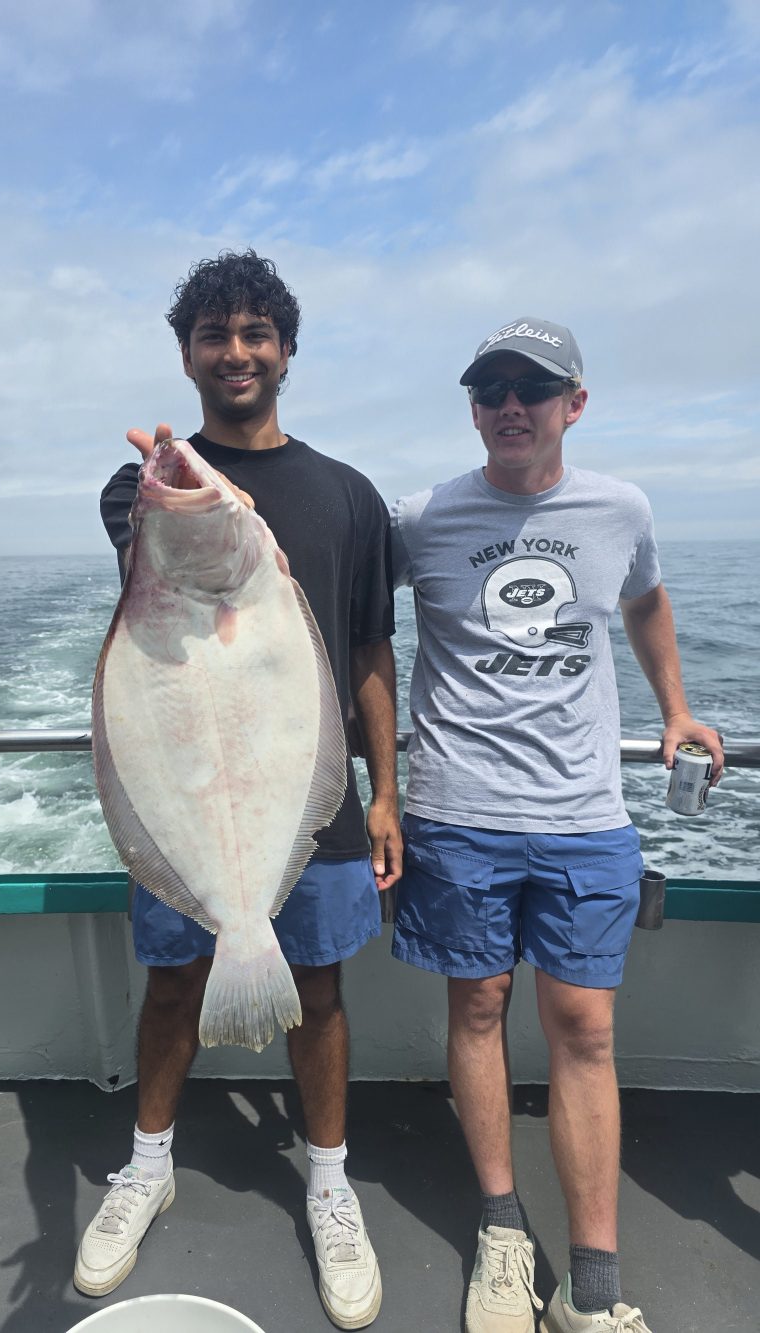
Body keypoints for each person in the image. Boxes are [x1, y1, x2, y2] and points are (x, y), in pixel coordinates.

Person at [83, 250, 402, 1329]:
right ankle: (146, 1165)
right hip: (189, 788)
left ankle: (327, 1181)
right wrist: (165, 483)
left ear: (285, 351)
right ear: (186, 355)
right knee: (173, 985)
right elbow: (154, 544)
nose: (237, 351)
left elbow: (366, 652)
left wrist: (386, 790)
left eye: (256, 332)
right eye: (214, 334)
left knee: (317, 993)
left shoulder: (350, 497)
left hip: (301, 791)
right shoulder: (145, 490)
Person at [390, 317, 724, 1333]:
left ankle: (592, 1281)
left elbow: (647, 600)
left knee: (584, 1027)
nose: (507, 406)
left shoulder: (620, 508)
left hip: (584, 815)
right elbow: (335, 601)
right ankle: (499, 1231)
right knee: (479, 1009)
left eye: (530, 388)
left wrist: (675, 708)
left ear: (573, 404)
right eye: (488, 388)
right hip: (454, 809)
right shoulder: (423, 517)